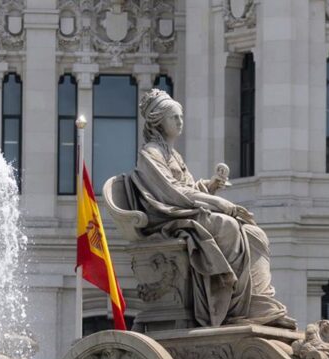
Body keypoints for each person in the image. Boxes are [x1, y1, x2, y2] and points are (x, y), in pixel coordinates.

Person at [123, 88, 294, 329]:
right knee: (229, 226)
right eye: (174, 117)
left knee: (255, 234)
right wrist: (219, 203)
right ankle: (232, 307)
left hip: (188, 213)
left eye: (181, 116)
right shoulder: (150, 153)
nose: (180, 122)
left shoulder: (173, 155)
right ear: (158, 120)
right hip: (170, 220)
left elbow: (190, 187)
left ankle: (257, 300)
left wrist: (210, 186)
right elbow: (171, 193)